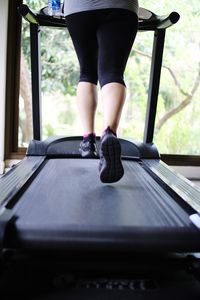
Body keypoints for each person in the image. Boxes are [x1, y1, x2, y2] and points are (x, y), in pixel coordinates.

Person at [64, 0, 139, 183]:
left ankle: (88, 141)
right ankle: (109, 133)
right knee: (112, 72)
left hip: (79, 8)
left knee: (87, 73)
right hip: (120, 6)